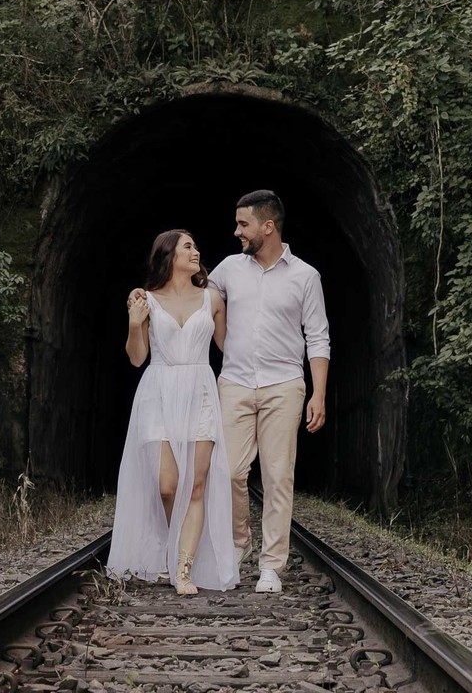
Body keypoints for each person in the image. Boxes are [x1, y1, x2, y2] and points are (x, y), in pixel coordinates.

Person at [207, 190, 330, 594]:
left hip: (284, 385)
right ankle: (239, 543)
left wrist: (318, 394)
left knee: (278, 476)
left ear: (268, 227)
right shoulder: (228, 269)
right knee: (229, 471)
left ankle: (271, 566)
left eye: (243, 224)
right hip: (235, 382)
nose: (236, 231)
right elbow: (199, 297)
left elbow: (318, 338)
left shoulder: (305, 276)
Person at [107, 229, 240, 595]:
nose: (196, 252)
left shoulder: (212, 298)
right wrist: (135, 323)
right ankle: (172, 544)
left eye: (195, 246)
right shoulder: (146, 299)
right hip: (158, 391)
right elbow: (137, 358)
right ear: (168, 255)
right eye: (188, 247)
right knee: (168, 485)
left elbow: (229, 347)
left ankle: (183, 569)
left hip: (200, 390)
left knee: (196, 484)